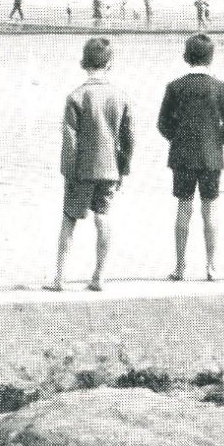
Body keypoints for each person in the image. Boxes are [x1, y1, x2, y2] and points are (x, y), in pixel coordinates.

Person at [52, 38, 134, 292]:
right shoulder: (120, 96)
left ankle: (60, 278)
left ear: (83, 63)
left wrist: (68, 171)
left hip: (81, 169)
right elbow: (128, 137)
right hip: (109, 169)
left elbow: (70, 139)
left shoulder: (76, 96)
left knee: (69, 220)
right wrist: (124, 168)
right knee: (103, 218)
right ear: (109, 64)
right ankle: (99, 276)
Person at [158, 34, 224, 282]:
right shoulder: (221, 87)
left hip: (182, 156)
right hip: (211, 157)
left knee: (183, 208)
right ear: (211, 58)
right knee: (210, 210)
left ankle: (180, 267)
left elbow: (162, 124)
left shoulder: (174, 86)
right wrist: (215, 142)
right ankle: (211, 267)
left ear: (186, 57)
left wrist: (179, 138)